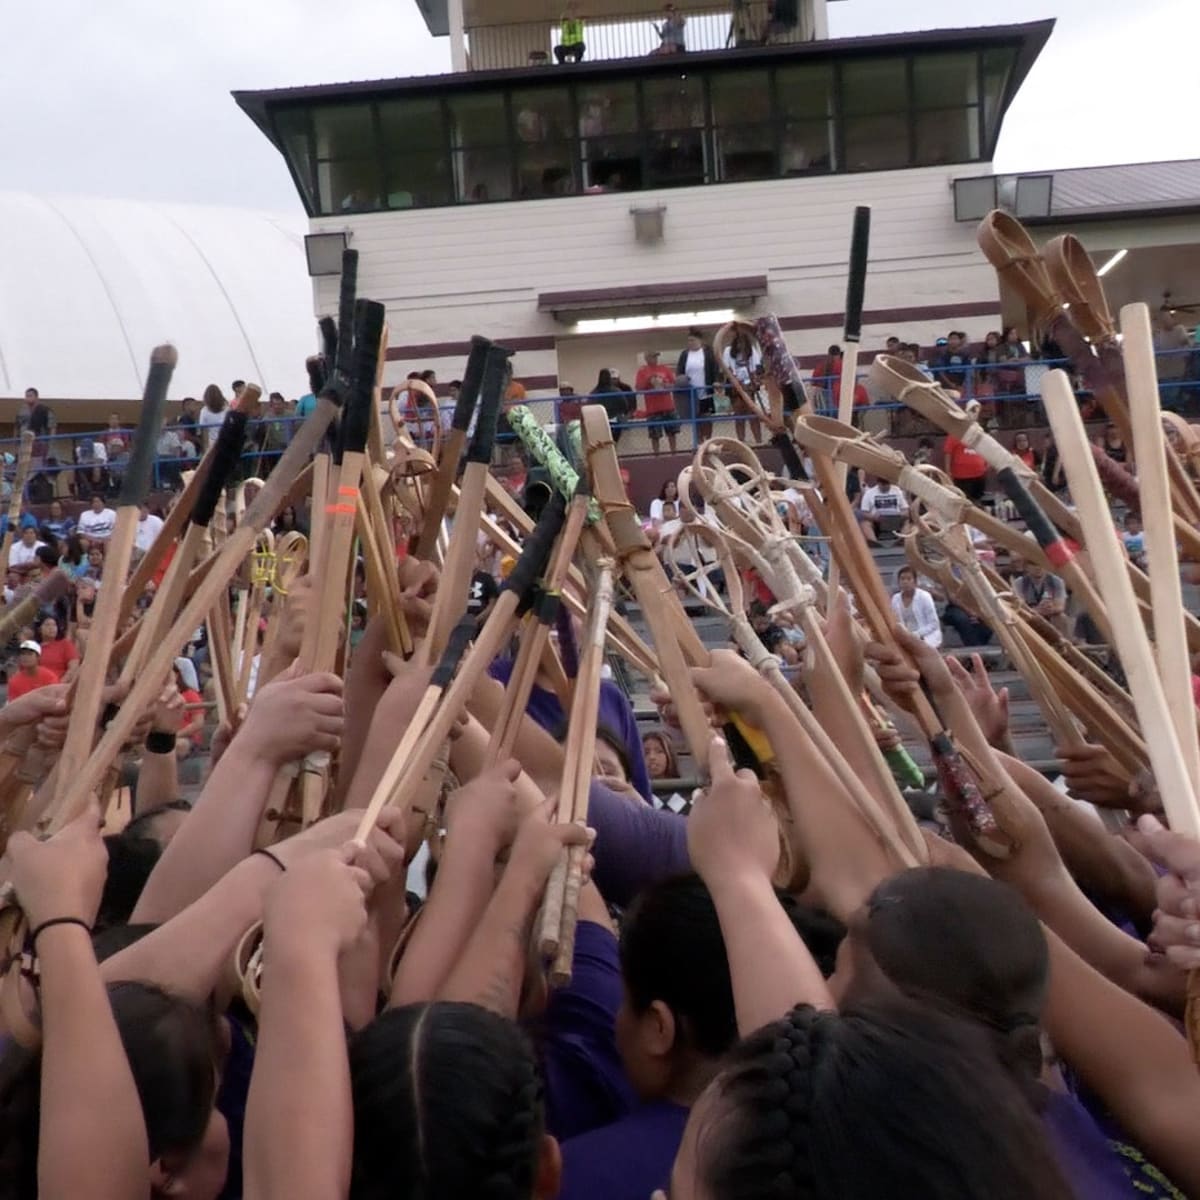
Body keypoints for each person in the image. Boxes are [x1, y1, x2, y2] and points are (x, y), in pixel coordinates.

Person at [677, 328, 718, 442]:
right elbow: (680, 371)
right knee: (696, 418)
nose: (690, 343)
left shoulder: (708, 353)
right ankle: (699, 441)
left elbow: (714, 369)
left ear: (700, 341)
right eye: (688, 341)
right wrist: (682, 380)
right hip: (691, 393)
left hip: (705, 391)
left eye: (692, 340)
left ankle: (708, 440)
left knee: (707, 418)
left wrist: (716, 381)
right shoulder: (685, 354)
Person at [635, 351, 679, 455]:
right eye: (652, 357)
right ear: (646, 358)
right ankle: (657, 455)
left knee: (672, 433)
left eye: (655, 357)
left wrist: (666, 385)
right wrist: (649, 380)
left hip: (668, 406)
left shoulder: (664, 368)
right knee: (655, 435)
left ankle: (674, 453)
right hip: (653, 409)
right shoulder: (642, 371)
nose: (654, 359)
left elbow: (674, 384)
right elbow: (639, 388)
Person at [944, 402, 989, 501]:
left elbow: (987, 448)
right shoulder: (956, 432)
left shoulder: (980, 431)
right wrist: (948, 473)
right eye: (972, 410)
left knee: (980, 502)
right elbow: (948, 453)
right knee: (965, 503)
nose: (974, 413)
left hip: (979, 475)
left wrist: (986, 466)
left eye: (976, 410)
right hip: (961, 477)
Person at [890, 566, 942, 648]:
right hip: (905, 636)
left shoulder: (925, 596)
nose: (905, 582)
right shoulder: (895, 598)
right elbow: (896, 620)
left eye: (909, 579)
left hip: (926, 636)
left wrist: (916, 634)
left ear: (915, 581)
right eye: (902, 579)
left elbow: (934, 623)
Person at [1013, 561, 1069, 636]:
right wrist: (1037, 610)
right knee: (1019, 618)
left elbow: (1060, 607)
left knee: (1061, 618)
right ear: (1026, 567)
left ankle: (1063, 644)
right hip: (1030, 614)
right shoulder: (1019, 582)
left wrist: (1050, 608)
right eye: (1033, 564)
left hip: (1050, 613)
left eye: (1041, 564)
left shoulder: (1056, 581)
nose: (1038, 568)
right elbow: (1019, 606)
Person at [1154, 307, 1191, 408]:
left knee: (1173, 393)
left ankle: (1174, 408)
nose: (1165, 321)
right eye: (1162, 319)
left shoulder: (1180, 329)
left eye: (1167, 318)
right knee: (1165, 395)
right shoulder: (1159, 334)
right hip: (1163, 371)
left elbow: (1186, 346)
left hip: (1176, 369)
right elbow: (1155, 349)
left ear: (1172, 318)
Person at [857, 477, 908, 545]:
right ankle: (875, 543)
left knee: (908, 523)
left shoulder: (897, 491)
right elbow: (864, 513)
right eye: (883, 485)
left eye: (887, 484)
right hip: (877, 522)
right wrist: (873, 517)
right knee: (865, 524)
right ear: (878, 483)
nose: (885, 486)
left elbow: (906, 511)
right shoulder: (869, 493)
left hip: (895, 520)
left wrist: (899, 515)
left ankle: (901, 541)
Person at [37, 615, 78, 681]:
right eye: (47, 625)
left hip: (60, 686)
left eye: (54, 625)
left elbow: (73, 667)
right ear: (39, 629)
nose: (51, 628)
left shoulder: (65, 644)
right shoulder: (34, 649)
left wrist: (60, 683)